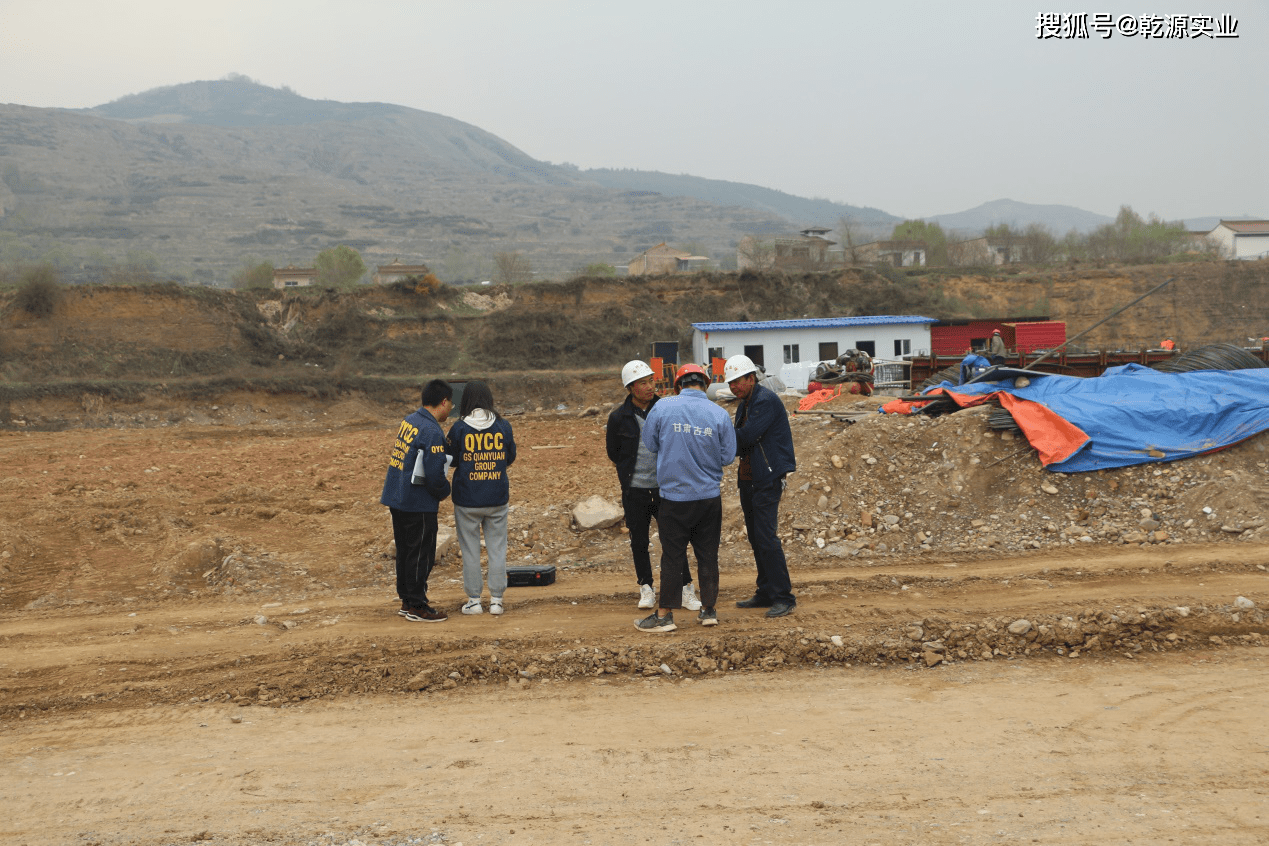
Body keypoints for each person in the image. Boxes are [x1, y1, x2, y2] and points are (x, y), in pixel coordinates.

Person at [635, 363, 736, 632]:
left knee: (672, 556)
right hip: (708, 498)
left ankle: (665, 615)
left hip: (674, 498)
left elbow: (651, 444)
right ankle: (709, 610)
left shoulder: (663, 408)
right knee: (707, 554)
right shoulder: (719, 413)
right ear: (705, 384)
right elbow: (727, 457)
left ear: (679, 384)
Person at [605, 360, 701, 612]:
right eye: (643, 383)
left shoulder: (668, 409)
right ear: (631, 388)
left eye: (652, 381)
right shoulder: (618, 418)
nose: (650, 387)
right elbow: (614, 453)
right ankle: (646, 587)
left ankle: (685, 587)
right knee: (639, 541)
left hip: (666, 488)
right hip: (635, 490)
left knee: (675, 540)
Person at [725, 354, 797, 618]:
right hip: (750, 478)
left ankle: (783, 597)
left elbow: (746, 436)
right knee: (757, 538)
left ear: (751, 378)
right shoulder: (746, 403)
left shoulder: (764, 401)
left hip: (766, 478)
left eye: (738, 381)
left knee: (766, 537)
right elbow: (740, 443)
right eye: (731, 383)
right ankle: (766, 591)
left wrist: (717, 433)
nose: (734, 387)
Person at [380, 379, 453, 623]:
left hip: (398, 497)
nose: (450, 409)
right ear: (443, 402)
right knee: (421, 553)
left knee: (406, 552)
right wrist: (445, 490)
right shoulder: (432, 431)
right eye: (450, 404)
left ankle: (407, 600)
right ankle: (418, 605)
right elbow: (434, 475)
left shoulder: (410, 421)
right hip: (418, 502)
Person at [446, 381, 517, 616]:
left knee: (470, 551)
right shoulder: (503, 426)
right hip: (497, 497)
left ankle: (474, 601)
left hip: (466, 499)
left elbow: (452, 460)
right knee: (498, 548)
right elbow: (510, 457)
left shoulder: (458, 428)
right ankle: (497, 600)